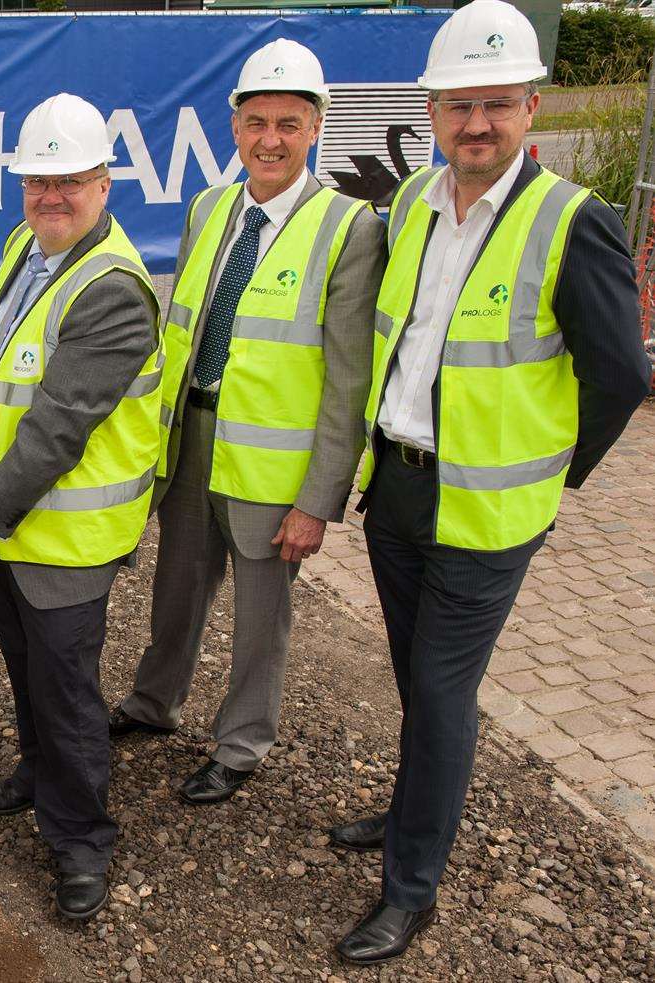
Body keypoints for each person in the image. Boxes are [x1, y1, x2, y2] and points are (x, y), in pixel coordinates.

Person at [330, 0, 650, 964]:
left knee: (438, 688)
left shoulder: (570, 221)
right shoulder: (412, 208)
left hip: (490, 509)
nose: (477, 124)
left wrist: (552, 474)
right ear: (433, 109)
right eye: (460, 105)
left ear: (531, 108)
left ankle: (411, 888)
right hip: (400, 489)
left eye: (497, 105)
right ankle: (405, 817)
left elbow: (624, 374)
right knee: (415, 681)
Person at [111, 39, 386, 805]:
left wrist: (318, 497)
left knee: (262, 616)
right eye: (257, 121)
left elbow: (348, 380)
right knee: (177, 587)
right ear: (234, 126)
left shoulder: (347, 228)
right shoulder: (209, 207)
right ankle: (153, 702)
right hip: (192, 435)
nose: (271, 139)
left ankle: (241, 745)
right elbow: (186, 327)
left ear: (315, 128)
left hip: (273, 465)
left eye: (289, 124)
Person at [0, 93, 163, 922]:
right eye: (37, 182)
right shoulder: (28, 249)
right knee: (31, 669)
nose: (50, 197)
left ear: (104, 185)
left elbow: (55, 431)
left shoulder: (112, 291)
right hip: (19, 528)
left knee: (68, 691)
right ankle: (37, 778)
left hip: (66, 536)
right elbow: (20, 336)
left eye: (68, 182)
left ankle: (80, 841)